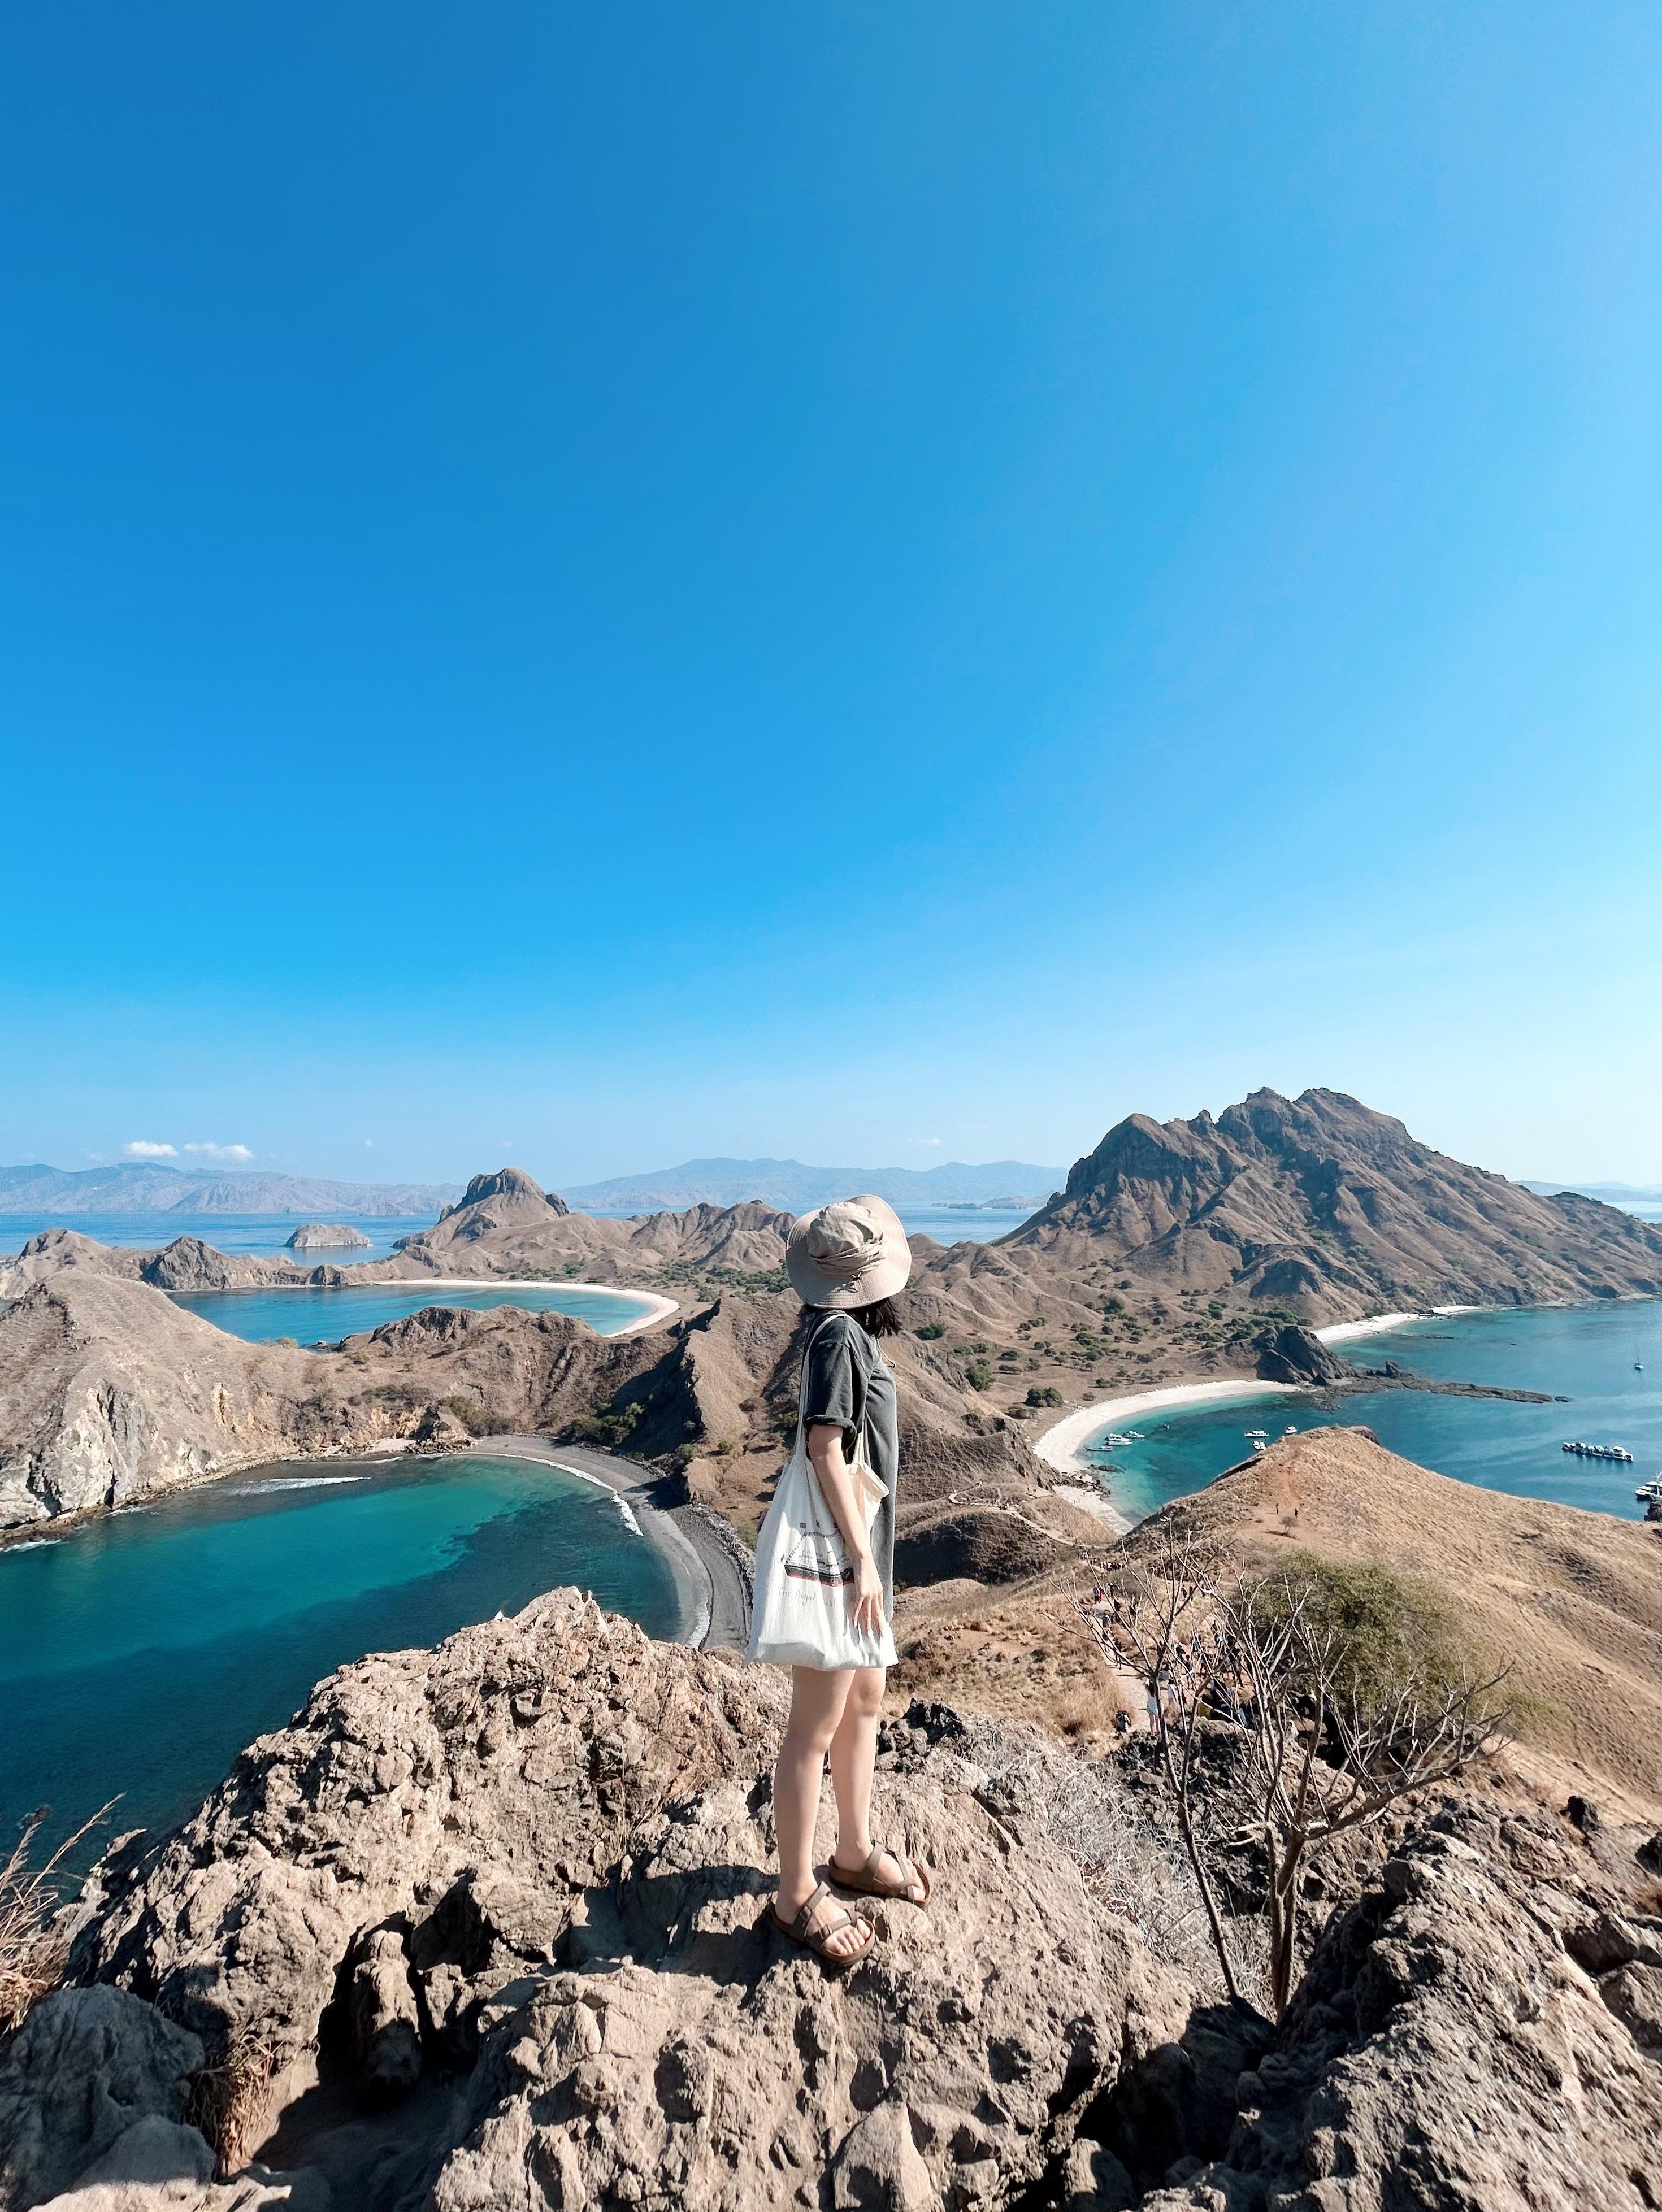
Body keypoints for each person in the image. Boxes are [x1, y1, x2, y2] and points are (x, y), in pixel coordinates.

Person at [754, 1195, 932, 1965]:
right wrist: (861, 1563)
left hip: (862, 1558)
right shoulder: (837, 1339)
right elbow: (824, 1448)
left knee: (864, 1702)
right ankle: (794, 1895)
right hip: (842, 1560)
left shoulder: (848, 1336)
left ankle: (852, 1853)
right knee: (813, 1727)